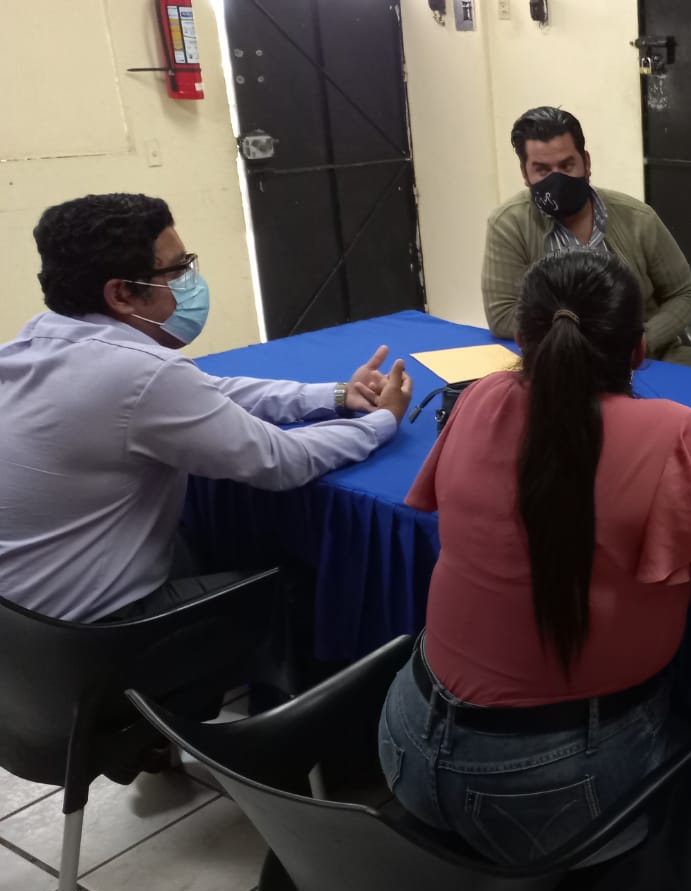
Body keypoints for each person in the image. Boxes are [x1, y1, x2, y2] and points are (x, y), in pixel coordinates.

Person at [380, 249, 691, 865]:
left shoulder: (478, 398)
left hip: (406, 742)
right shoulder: (672, 432)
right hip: (550, 783)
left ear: (521, 339)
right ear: (639, 349)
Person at [0, 193, 411, 623]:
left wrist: (336, 396)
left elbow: (211, 391)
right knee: (306, 582)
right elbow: (281, 460)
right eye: (177, 269)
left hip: (20, 619)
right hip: (89, 631)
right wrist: (382, 420)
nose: (189, 282)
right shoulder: (141, 372)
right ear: (121, 294)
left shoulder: (36, 342)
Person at [481, 106, 691, 366]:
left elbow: (685, 295)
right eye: (542, 170)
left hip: (644, 362)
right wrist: (579, 337)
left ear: (586, 163)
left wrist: (643, 340)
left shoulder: (639, 219)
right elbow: (501, 316)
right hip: (557, 365)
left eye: (567, 165)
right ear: (525, 174)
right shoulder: (508, 225)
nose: (557, 180)